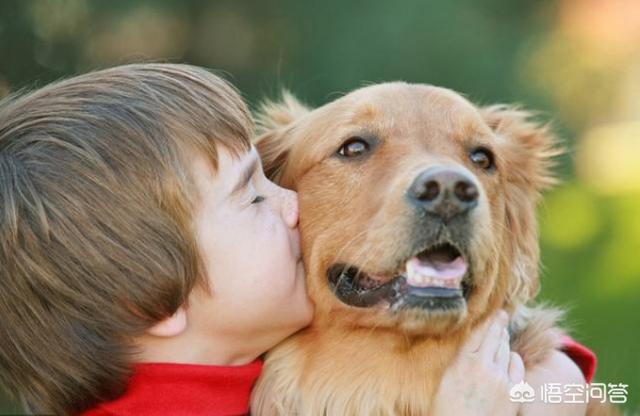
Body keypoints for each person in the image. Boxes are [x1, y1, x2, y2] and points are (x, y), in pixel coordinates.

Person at [0, 63, 593, 416]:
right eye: (255, 195)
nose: (294, 209)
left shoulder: (234, 351)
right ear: (155, 298)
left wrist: (555, 385)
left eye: (479, 161)